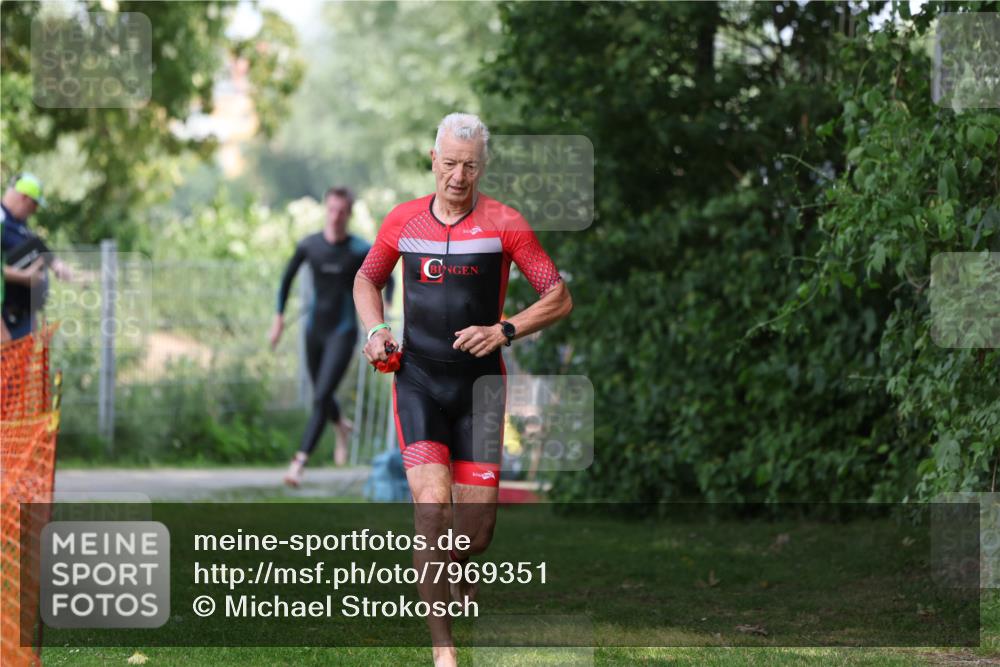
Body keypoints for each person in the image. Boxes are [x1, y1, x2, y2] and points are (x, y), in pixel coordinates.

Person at [354, 113, 573, 667]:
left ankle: (466, 568)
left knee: (473, 535)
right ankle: (443, 649)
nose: (458, 176)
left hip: (480, 390)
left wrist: (504, 329)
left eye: (469, 165)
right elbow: (366, 278)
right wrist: (376, 330)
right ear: (433, 159)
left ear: (483, 166)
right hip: (418, 382)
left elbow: (558, 297)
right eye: (449, 163)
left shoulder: (506, 222)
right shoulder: (402, 221)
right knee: (431, 509)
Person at [270, 186, 393, 487]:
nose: (336, 216)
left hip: (343, 331)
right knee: (320, 394)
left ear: (349, 214)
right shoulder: (310, 245)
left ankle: (298, 463)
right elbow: (286, 279)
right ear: (326, 209)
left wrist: (384, 311)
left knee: (321, 396)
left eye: (342, 211)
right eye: (332, 209)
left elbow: (388, 277)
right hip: (313, 330)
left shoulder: (359, 249)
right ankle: (340, 425)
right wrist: (279, 318)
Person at [1, 173, 70, 341]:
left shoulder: (19, 225)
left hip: (23, 317)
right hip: (5, 322)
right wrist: (23, 277)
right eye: (34, 205)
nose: (35, 211)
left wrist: (56, 265)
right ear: (24, 198)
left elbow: (37, 247)